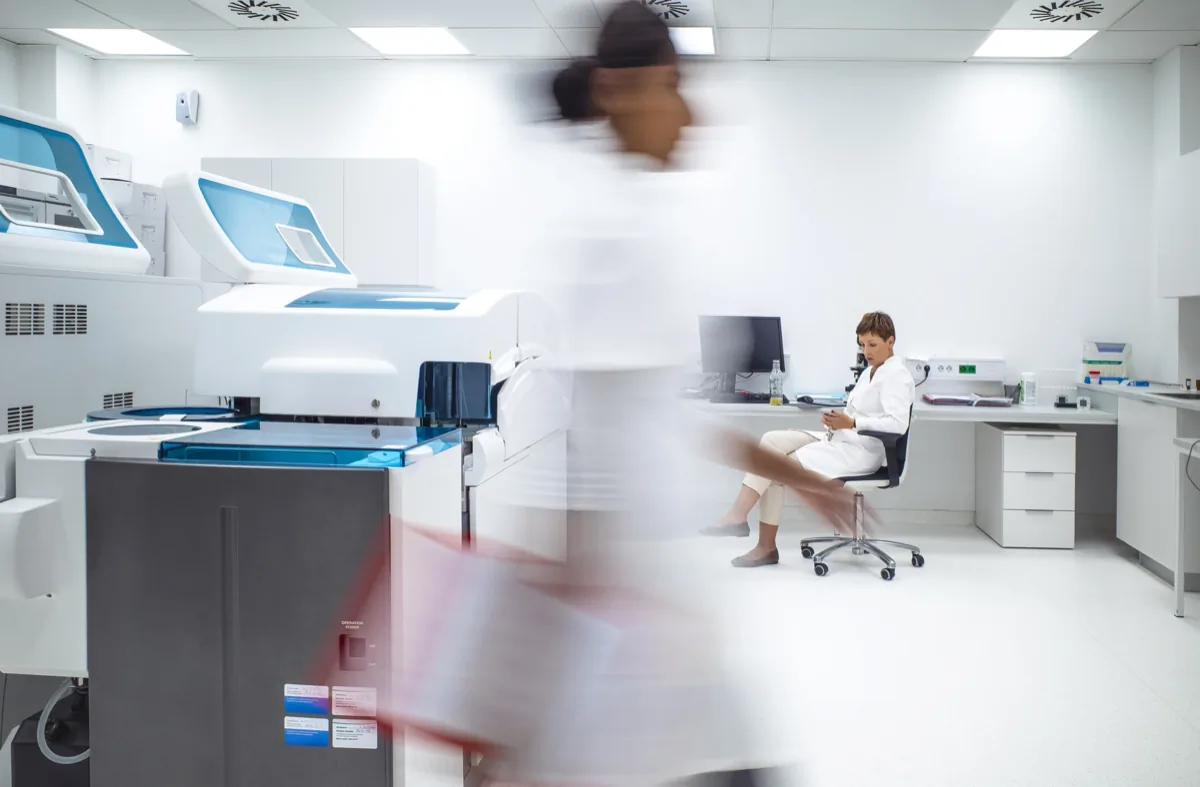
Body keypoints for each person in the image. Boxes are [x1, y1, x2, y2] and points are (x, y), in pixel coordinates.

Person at [704, 312, 916, 568]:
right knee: (771, 439)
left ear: (890, 341)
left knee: (776, 466)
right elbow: (858, 413)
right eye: (862, 344)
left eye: (873, 344)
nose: (866, 351)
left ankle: (764, 546)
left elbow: (897, 424)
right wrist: (838, 420)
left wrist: (852, 423)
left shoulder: (897, 376)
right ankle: (738, 517)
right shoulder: (870, 372)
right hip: (840, 441)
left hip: (860, 454)